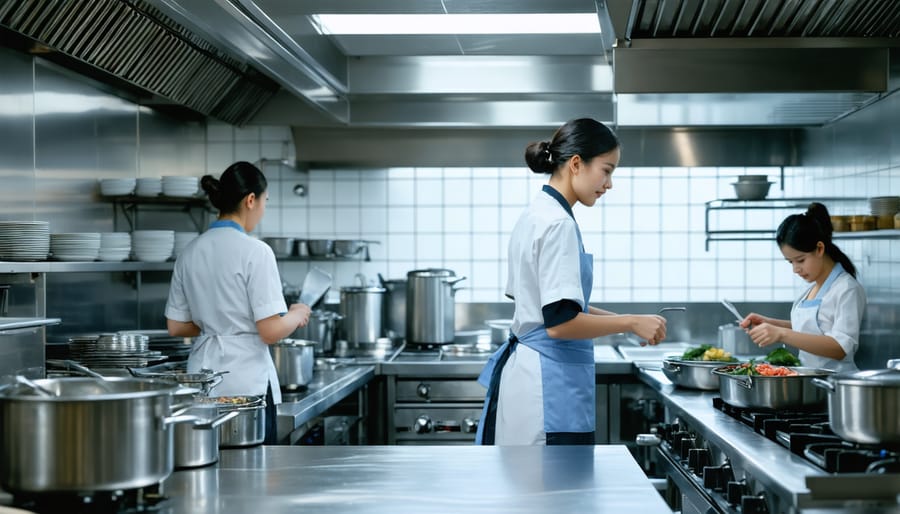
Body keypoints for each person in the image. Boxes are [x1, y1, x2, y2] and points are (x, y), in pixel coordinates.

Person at [475, 118, 668, 446]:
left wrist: (629, 324)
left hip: (530, 380)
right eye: (606, 170)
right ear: (577, 164)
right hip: (547, 388)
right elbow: (560, 323)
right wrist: (632, 321)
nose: (608, 184)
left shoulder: (536, 213)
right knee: (553, 492)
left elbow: (552, 305)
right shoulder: (558, 224)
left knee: (531, 491)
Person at [165, 161, 311, 444]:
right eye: (265, 201)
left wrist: (216, 321)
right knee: (253, 472)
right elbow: (270, 331)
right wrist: (297, 313)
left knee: (207, 466)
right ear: (251, 200)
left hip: (203, 380)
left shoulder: (190, 252)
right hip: (247, 385)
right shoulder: (257, 252)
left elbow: (176, 326)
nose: (263, 210)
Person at [739, 202, 866, 373]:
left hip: (837, 385)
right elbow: (816, 328)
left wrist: (781, 334)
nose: (795, 269)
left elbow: (840, 348)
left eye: (800, 260)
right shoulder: (813, 288)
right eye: (790, 262)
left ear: (820, 248)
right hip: (811, 381)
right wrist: (770, 324)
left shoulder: (847, 289)